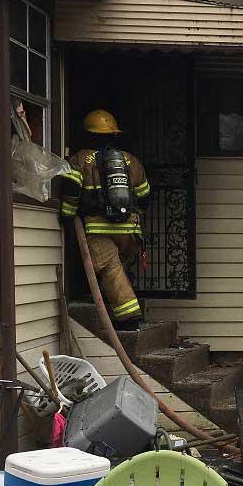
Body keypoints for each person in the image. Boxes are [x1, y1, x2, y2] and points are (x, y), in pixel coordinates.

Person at [60, 109, 151, 328]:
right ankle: (115, 312)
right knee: (117, 270)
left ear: (88, 135)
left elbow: (72, 192)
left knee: (111, 271)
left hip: (98, 230)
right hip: (129, 232)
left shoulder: (79, 160)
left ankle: (129, 318)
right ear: (113, 135)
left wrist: (67, 215)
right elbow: (145, 196)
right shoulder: (131, 161)